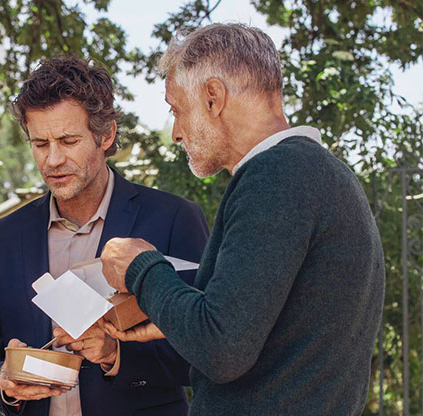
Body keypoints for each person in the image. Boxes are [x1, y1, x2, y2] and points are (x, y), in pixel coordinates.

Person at [99, 23, 385, 415]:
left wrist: (142, 268)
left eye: (177, 110)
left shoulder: (278, 176)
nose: (175, 133)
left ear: (213, 97)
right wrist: (174, 316)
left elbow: (223, 349)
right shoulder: (316, 174)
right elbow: (264, 340)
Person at [0, 56, 209, 416]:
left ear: (106, 135)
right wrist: (3, 379)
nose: (53, 160)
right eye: (40, 144)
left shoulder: (173, 219)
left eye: (68, 140)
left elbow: (204, 355)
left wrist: (114, 353)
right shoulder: (3, 238)